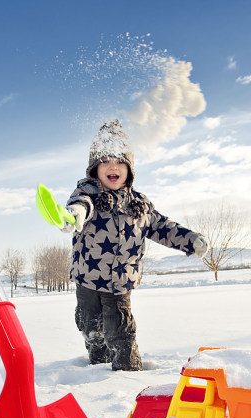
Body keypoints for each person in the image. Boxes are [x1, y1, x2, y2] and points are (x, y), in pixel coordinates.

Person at [61, 120, 208, 371]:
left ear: (129, 168)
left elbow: (162, 226)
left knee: (121, 332)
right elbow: (81, 204)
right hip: (88, 280)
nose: (113, 167)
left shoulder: (139, 204)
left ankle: (128, 373)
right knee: (90, 327)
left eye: (119, 161)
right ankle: (96, 369)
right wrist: (74, 214)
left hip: (120, 284)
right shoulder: (88, 194)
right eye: (105, 161)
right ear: (95, 167)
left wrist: (190, 239)